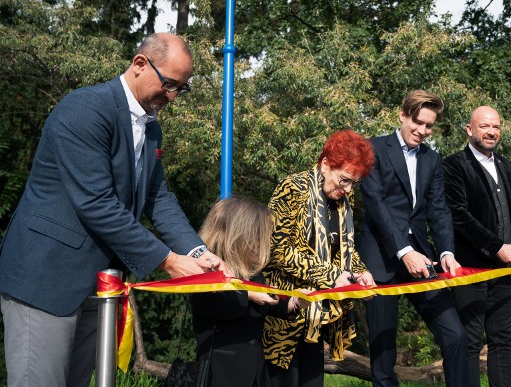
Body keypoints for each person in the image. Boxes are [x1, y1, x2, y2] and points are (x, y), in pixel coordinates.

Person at [0, 33, 226, 387]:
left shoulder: (151, 131)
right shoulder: (85, 109)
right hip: (46, 279)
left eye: (180, 89)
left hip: (98, 284)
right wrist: (168, 260)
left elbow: (158, 199)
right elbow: (95, 202)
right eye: (168, 84)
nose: (171, 97)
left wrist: (198, 251)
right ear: (139, 64)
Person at [357, 89, 469, 387]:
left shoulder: (432, 158)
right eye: (417, 122)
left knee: (455, 334)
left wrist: (446, 252)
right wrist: (404, 250)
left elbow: (439, 210)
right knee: (383, 353)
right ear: (402, 115)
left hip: (423, 258)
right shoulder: (373, 149)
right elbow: (377, 204)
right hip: (380, 259)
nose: (422, 131)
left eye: (429, 126)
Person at [262, 129, 376, 387]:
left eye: (354, 183)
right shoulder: (292, 188)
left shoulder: (344, 198)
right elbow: (276, 248)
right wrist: (331, 276)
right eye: (345, 180)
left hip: (320, 316)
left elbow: (344, 248)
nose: (348, 189)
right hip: (286, 313)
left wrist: (360, 272)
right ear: (325, 165)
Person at [442, 106, 511, 387]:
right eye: (485, 126)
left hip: (506, 271)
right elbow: (459, 216)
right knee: (471, 343)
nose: (491, 132)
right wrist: (496, 246)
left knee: (502, 342)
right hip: (471, 270)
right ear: (470, 130)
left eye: (496, 127)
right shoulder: (454, 166)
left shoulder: (506, 165)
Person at [190, 196, 309, 387]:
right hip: (221, 374)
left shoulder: (251, 272)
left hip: (257, 372)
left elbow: (269, 304)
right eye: (259, 237)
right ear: (240, 236)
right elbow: (209, 304)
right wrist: (250, 295)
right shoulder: (206, 268)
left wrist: (295, 302)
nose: (264, 244)